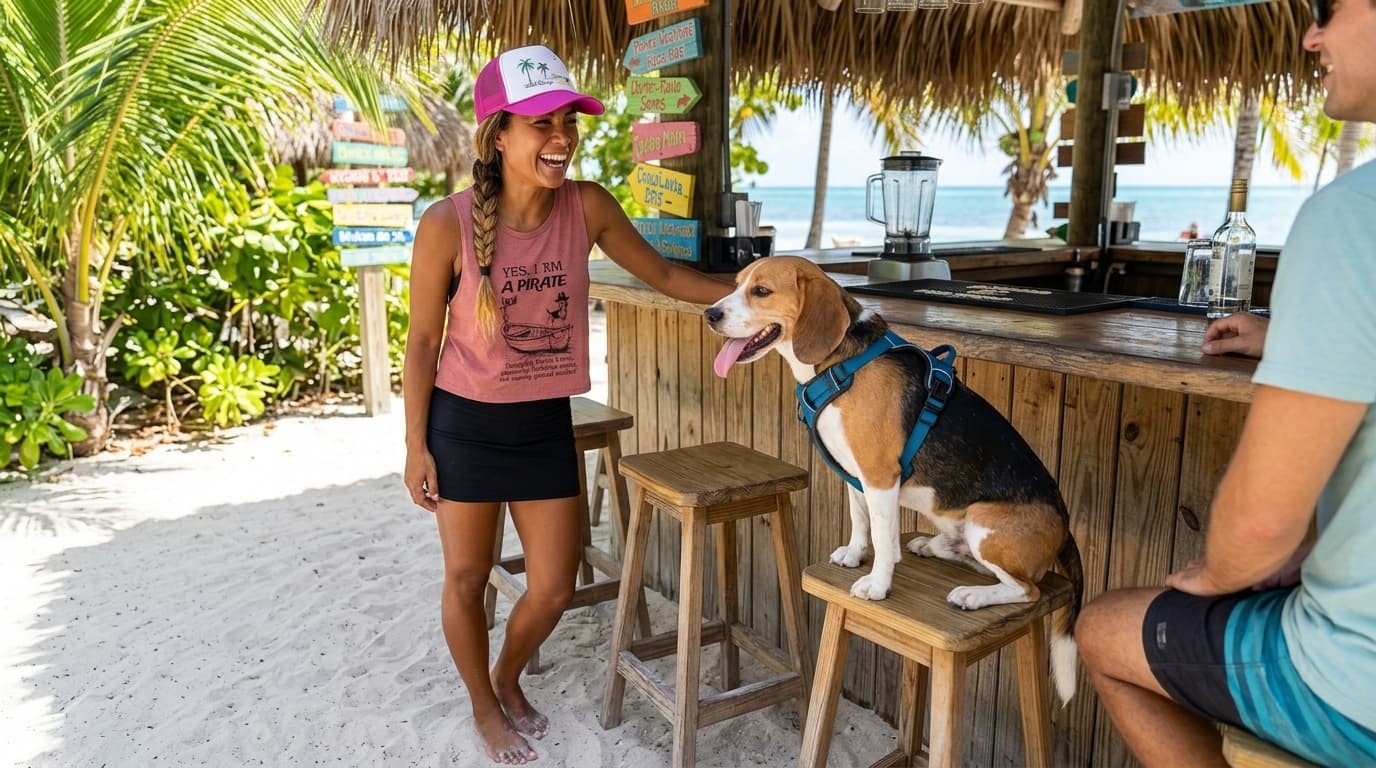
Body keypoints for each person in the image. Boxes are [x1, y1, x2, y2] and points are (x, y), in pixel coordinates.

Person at [401, 45, 730, 765]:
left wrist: (756, 291)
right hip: (464, 424)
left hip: (545, 421)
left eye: (568, 124)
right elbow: (423, 342)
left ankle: (506, 675)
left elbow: (667, 275)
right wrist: (415, 445)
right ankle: (485, 707)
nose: (561, 139)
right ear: (499, 135)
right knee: (465, 578)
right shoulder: (445, 224)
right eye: (541, 124)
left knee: (551, 588)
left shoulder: (588, 206)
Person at [1076, 1, 1376, 766]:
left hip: (1356, 687)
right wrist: (1300, 335)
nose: (1311, 35)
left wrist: (1214, 573)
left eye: (1330, 9)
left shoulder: (1353, 217)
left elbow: (1260, 529)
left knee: (1102, 629)